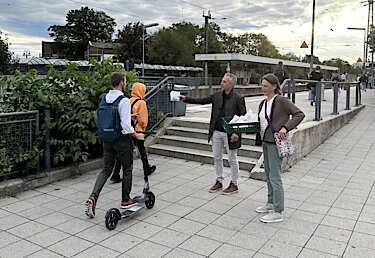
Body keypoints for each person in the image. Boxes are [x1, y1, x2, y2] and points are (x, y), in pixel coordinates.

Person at [85, 72, 144, 218]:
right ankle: (125, 199)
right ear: (122, 83)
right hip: (121, 140)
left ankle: (93, 197)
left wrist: (127, 116)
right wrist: (137, 135)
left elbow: (112, 117)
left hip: (107, 139)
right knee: (128, 168)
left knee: (106, 169)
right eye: (124, 81)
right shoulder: (123, 100)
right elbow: (125, 127)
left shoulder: (105, 98)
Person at [179, 73, 246, 194]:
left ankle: (234, 183)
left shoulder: (238, 98)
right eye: (222, 81)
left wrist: (236, 132)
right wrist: (186, 99)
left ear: (231, 84)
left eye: (224, 82)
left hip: (230, 133)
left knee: (232, 159)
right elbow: (202, 100)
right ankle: (219, 180)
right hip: (216, 131)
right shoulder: (217, 95)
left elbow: (242, 116)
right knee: (217, 157)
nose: (221, 83)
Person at [255, 74, 305, 223]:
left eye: (265, 86)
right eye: (262, 85)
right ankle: (270, 203)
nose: (263, 88)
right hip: (266, 141)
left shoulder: (281, 101)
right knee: (269, 174)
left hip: (275, 143)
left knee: (275, 177)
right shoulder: (263, 103)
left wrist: (285, 128)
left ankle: (278, 210)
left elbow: (299, 114)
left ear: (274, 86)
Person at [110, 82, 156, 183]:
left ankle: (116, 174)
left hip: (127, 131)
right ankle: (146, 169)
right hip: (137, 130)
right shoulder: (141, 103)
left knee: (122, 152)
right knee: (142, 150)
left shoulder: (127, 100)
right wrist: (142, 129)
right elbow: (143, 120)